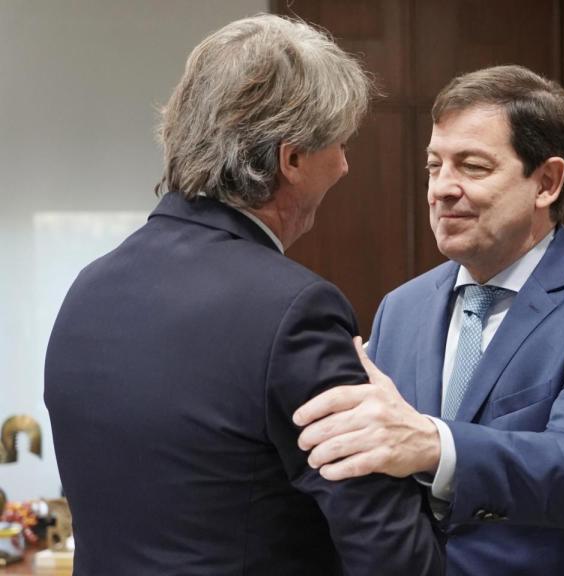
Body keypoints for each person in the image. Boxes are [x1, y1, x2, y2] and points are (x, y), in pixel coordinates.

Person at [44, 14, 443, 575]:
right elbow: (390, 552)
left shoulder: (88, 288)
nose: (347, 164)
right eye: (341, 144)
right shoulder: (296, 311)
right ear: (293, 159)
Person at [294, 65, 564, 576]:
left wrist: (432, 443)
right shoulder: (401, 308)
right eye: (434, 166)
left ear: (546, 182)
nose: (442, 189)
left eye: (472, 166)